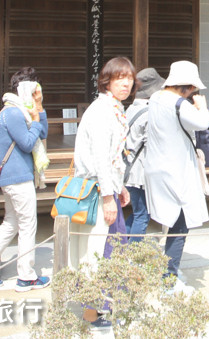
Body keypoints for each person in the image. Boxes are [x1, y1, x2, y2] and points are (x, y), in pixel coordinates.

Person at [0, 67, 49, 291]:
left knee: (11, 223)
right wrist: (34, 120)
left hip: (15, 177)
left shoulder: (20, 111)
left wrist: (39, 109)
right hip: (17, 178)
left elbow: (43, 133)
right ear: (25, 89)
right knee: (27, 225)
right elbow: (26, 142)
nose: (37, 94)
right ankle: (27, 276)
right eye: (35, 90)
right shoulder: (13, 113)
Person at [70, 56, 135, 330]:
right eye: (120, 78)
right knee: (97, 251)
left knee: (112, 249)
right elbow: (98, 156)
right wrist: (108, 196)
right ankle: (91, 313)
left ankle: (105, 305)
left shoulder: (114, 109)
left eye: (130, 79)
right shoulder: (102, 110)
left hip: (106, 188)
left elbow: (110, 156)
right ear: (107, 80)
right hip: (96, 193)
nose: (126, 83)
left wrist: (118, 186)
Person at [143, 61, 209, 286]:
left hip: (157, 167)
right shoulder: (179, 104)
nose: (193, 91)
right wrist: (201, 105)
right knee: (180, 223)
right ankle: (169, 278)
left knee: (171, 219)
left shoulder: (155, 98)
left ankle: (167, 269)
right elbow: (204, 123)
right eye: (192, 87)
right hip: (175, 170)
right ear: (186, 85)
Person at [124, 67, 165, 239]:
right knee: (143, 214)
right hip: (140, 173)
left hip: (128, 169)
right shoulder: (149, 113)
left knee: (139, 211)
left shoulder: (131, 108)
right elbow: (152, 145)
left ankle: (121, 245)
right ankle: (133, 255)